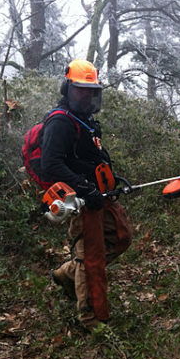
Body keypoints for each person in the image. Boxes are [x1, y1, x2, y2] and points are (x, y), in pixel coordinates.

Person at [40, 59, 132, 326]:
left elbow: (89, 156)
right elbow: (51, 166)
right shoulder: (60, 122)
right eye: (81, 90)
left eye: (91, 90)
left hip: (101, 195)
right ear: (67, 88)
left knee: (121, 237)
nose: (87, 95)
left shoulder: (85, 120)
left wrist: (110, 178)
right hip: (81, 200)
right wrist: (85, 188)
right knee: (90, 258)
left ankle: (67, 273)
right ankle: (91, 319)